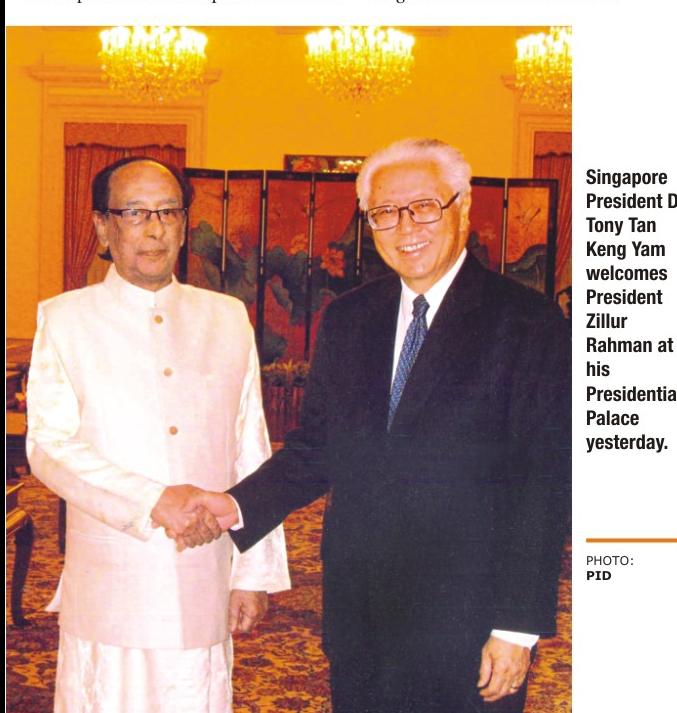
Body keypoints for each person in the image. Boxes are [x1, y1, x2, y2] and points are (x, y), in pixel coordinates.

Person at [174, 138, 571, 713]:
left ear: (463, 207)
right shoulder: (349, 317)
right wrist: (235, 504)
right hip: (361, 611)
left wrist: (517, 626)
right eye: (385, 212)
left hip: (470, 619)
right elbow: (318, 447)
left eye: (423, 207)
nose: (405, 227)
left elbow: (544, 483)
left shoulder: (528, 323)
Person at [25, 156, 290, 713]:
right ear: (103, 227)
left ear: (184, 224)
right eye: (135, 212)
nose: (154, 228)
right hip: (111, 573)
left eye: (168, 212)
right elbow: (49, 445)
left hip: (204, 569)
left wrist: (254, 572)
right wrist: (153, 501)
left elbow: (252, 447)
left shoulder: (226, 317)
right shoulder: (66, 319)